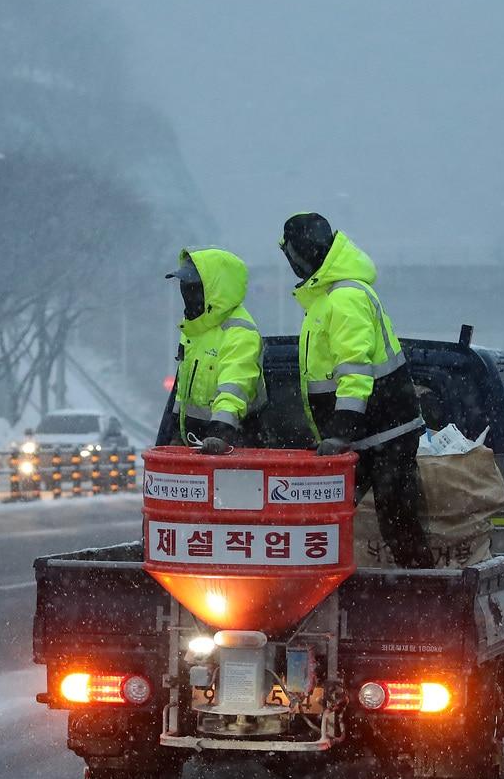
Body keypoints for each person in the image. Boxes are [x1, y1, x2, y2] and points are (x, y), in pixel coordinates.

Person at [279, 212, 434, 568]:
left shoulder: (344, 298)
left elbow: (355, 370)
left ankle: (424, 591)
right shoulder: (327, 298)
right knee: (358, 520)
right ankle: (415, 587)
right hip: (372, 433)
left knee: (395, 521)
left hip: (383, 433)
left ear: (300, 253)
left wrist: (341, 430)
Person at [164, 247, 265, 454]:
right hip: (196, 446)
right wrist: (175, 432)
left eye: (191, 285)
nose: (185, 290)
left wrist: (220, 432)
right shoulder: (195, 329)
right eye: (183, 284)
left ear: (214, 289)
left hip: (233, 448)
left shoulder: (239, 333)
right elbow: (184, 393)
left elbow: (235, 386)